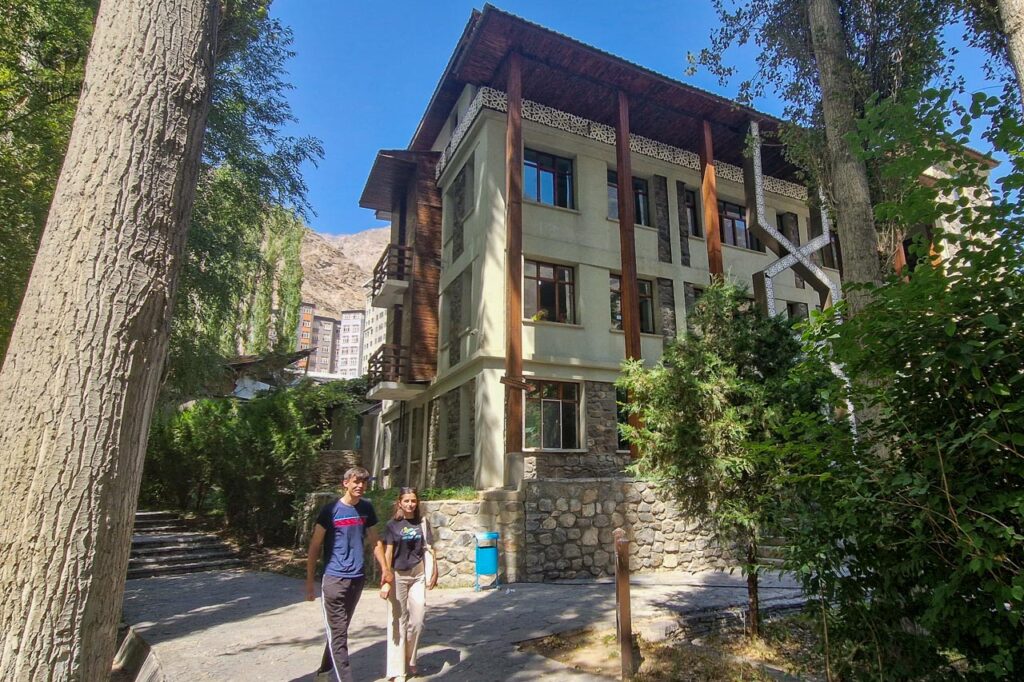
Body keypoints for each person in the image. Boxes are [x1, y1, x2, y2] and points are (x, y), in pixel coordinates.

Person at [306, 466, 389, 682]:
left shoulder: (366, 509)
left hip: (357, 578)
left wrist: (385, 570)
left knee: (339, 630)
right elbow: (315, 546)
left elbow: (375, 541)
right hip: (333, 578)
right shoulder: (330, 511)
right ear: (345, 483)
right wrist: (309, 583)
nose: (360, 486)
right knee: (339, 634)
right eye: (356, 482)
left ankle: (323, 672)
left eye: (363, 482)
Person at [380, 487, 438, 682]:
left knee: (418, 619)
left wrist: (433, 571)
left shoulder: (422, 522)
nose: (410, 504)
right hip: (398, 575)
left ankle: (410, 657)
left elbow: (429, 548)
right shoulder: (392, 525)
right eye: (406, 501)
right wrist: (386, 579)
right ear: (399, 503)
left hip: (418, 574)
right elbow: (387, 553)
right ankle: (397, 670)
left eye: (413, 500)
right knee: (398, 622)